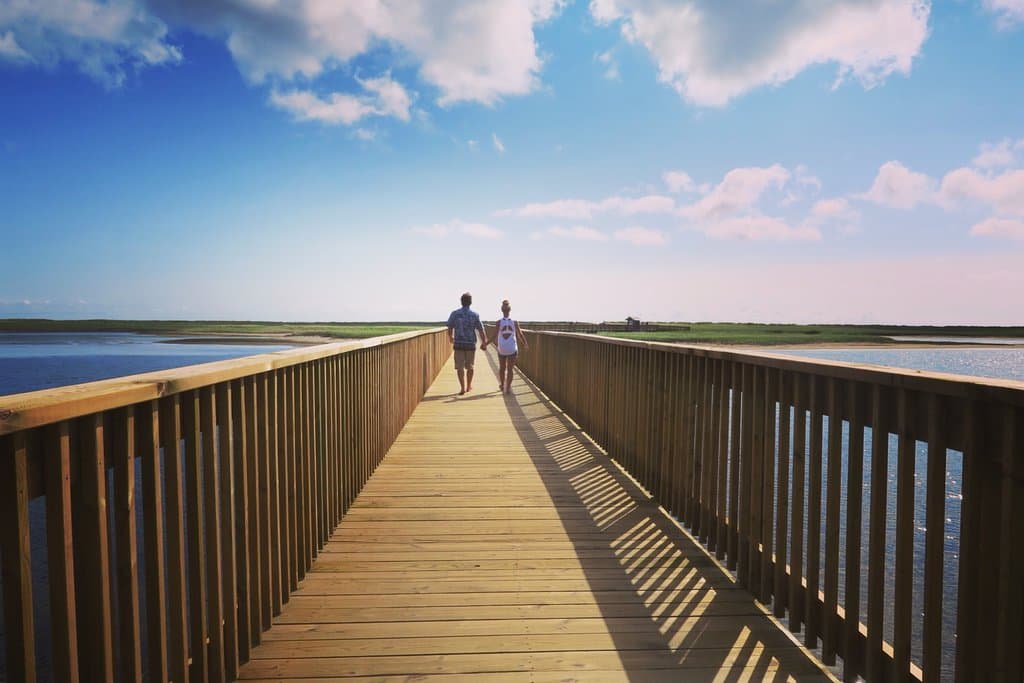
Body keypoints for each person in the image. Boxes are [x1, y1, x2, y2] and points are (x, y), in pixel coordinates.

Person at [446, 291, 487, 396]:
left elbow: (449, 327)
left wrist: (451, 337)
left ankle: (462, 387)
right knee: (470, 366)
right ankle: (469, 386)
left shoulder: (455, 313)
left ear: (461, 302)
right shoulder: (475, 315)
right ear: (470, 302)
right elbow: (481, 330)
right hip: (470, 344)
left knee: (459, 367)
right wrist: (484, 342)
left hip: (458, 343)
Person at [485, 299, 529, 394]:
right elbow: (520, 335)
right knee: (510, 369)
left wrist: (485, 344)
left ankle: (502, 384)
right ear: (510, 310)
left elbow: (493, 336)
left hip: (502, 349)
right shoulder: (515, 322)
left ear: (502, 310)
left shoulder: (498, 322)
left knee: (502, 368)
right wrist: (525, 344)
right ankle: (508, 387)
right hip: (512, 348)